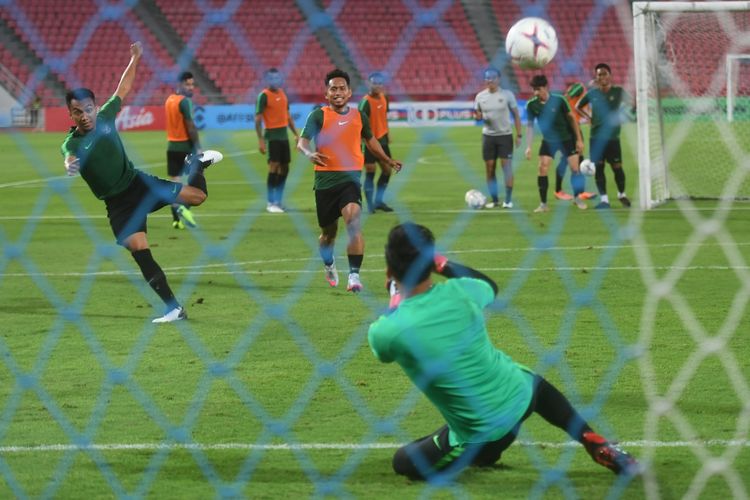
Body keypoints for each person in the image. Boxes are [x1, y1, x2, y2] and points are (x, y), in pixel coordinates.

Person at [368, 221, 639, 480]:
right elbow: (489, 286)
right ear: (431, 264)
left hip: (486, 432)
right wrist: (442, 263)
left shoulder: (389, 331)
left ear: (389, 271)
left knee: (403, 461)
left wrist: (395, 295)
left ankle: (480, 452)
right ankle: (592, 440)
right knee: (531, 382)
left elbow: (389, 337)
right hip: (525, 396)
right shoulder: (462, 291)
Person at [60, 42, 219, 323]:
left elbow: (123, 89)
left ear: (95, 107)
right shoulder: (73, 143)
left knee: (197, 197)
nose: (84, 116)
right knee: (139, 250)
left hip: (138, 184)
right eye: (77, 112)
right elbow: (68, 156)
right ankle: (174, 308)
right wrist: (69, 164)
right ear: (70, 114)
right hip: (118, 204)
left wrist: (134, 57)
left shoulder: (107, 116)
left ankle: (194, 165)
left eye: (88, 109)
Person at [297, 68, 402, 293]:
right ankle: (329, 264)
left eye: (341, 88)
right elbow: (302, 142)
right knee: (328, 234)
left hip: (351, 179)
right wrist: (308, 154)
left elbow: (372, 141)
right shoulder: (318, 115)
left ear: (349, 92)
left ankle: (354, 275)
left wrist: (387, 159)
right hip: (325, 181)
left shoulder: (358, 116)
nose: (337, 92)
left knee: (353, 222)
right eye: (333, 88)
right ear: (326, 93)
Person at [525, 75, 587, 212]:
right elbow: (529, 126)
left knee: (575, 169)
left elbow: (572, 119)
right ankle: (543, 204)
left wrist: (579, 139)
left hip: (567, 139)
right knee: (542, 168)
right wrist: (528, 146)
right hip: (548, 140)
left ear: (546, 87)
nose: (536, 93)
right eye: (534, 90)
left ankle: (577, 198)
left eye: (539, 89)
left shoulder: (559, 100)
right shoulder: (531, 105)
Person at [576, 63, 633, 209]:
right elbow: (577, 106)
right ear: (596, 77)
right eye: (599, 74)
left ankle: (622, 194)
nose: (602, 77)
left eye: (604, 73)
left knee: (617, 167)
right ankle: (604, 200)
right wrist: (588, 118)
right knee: (599, 168)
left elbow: (633, 103)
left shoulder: (618, 91)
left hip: (613, 137)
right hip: (596, 137)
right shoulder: (593, 93)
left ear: (610, 75)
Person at [473, 67, 522, 209]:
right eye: (487, 78)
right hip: (488, 136)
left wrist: (519, 135)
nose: (490, 81)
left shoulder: (507, 95)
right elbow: (477, 114)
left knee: (506, 167)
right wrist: (478, 116)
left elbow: (516, 115)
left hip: (505, 135)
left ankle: (508, 200)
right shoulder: (480, 97)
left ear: (498, 79)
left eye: (493, 78)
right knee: (489, 168)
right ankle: (494, 200)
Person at [255, 68, 299, 213]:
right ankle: (270, 202)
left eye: (277, 78)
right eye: (271, 78)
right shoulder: (263, 96)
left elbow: (288, 116)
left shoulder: (283, 94)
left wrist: (296, 134)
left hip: (283, 136)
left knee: (285, 167)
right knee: (274, 166)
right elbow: (258, 119)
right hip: (272, 136)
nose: (275, 81)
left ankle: (278, 200)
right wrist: (261, 140)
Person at [165, 71, 201, 229]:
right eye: (188, 84)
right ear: (179, 84)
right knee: (194, 183)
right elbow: (191, 127)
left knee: (175, 183)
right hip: (185, 147)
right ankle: (184, 209)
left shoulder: (169, 100)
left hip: (172, 147)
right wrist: (198, 147)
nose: (191, 87)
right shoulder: (184, 102)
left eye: (192, 84)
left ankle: (176, 220)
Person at [554, 81, 597, 202]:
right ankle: (558, 190)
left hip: (575, 127)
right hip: (568, 127)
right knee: (566, 159)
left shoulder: (586, 97)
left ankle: (580, 192)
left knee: (579, 159)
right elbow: (565, 98)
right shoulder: (580, 87)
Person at [358, 71, 394, 213]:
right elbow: (359, 123)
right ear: (369, 83)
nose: (377, 86)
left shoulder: (385, 98)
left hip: (383, 140)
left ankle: (379, 201)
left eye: (380, 83)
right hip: (369, 142)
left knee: (387, 170)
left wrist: (388, 134)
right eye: (374, 83)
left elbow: (383, 117)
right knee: (370, 171)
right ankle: (370, 205)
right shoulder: (365, 102)